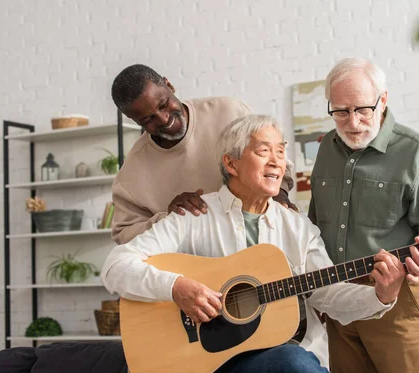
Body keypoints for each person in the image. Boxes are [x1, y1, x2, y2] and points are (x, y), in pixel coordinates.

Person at [101, 115, 419, 373]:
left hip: (278, 359)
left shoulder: (297, 227)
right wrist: (176, 287)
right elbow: (116, 266)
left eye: (281, 151)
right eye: (264, 151)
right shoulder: (195, 215)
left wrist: (382, 295)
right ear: (231, 163)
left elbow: (327, 295)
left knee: (292, 359)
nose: (278, 162)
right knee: (292, 362)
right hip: (202, 364)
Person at [308, 58, 419, 373]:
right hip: (339, 296)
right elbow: (314, 226)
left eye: (362, 109)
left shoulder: (415, 151)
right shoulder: (325, 150)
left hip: (399, 297)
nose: (352, 122)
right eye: (340, 111)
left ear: (383, 100)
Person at [109, 64, 295, 245]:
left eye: (164, 104)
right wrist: (170, 218)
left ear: (169, 85)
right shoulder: (131, 174)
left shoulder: (229, 112)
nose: (164, 120)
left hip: (265, 242)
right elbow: (125, 235)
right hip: (200, 267)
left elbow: (276, 161)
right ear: (132, 119)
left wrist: (280, 194)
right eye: (147, 119)